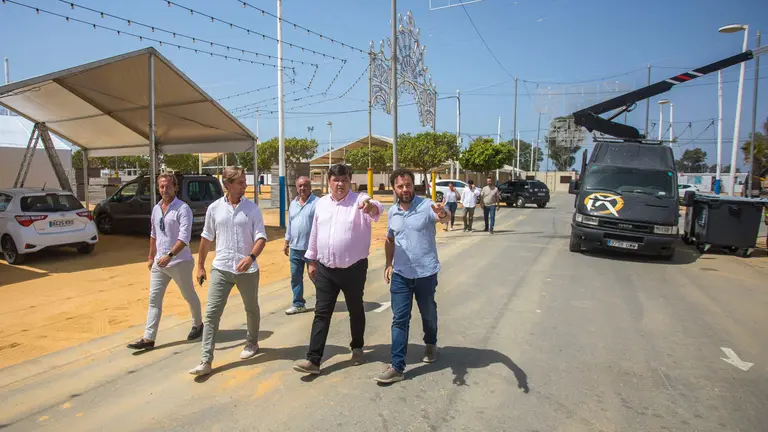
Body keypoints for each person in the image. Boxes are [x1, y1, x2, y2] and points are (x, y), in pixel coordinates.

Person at [293, 164, 383, 375]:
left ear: (349, 180)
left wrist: (372, 207)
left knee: (355, 309)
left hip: (354, 268)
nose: (340, 184)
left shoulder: (360, 200)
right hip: (325, 269)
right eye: (335, 180)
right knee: (321, 313)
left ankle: (357, 347)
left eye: (344, 179)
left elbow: (376, 208)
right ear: (329, 182)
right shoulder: (322, 204)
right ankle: (313, 360)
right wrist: (312, 260)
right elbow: (315, 232)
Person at [189, 166, 267, 376]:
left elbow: (261, 238)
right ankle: (206, 360)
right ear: (228, 184)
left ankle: (252, 343)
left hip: (248, 271)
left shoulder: (252, 209)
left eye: (244, 181)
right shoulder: (214, 208)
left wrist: (250, 258)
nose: (245, 185)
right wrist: (200, 265)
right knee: (212, 314)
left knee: (251, 308)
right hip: (221, 269)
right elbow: (206, 238)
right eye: (241, 182)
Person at [376, 169, 449, 384]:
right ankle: (397, 366)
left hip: (426, 273)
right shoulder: (392, 212)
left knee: (428, 313)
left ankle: (430, 343)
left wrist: (443, 213)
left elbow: (444, 218)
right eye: (400, 186)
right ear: (394, 188)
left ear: (413, 185)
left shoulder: (427, 206)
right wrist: (388, 264)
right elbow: (390, 239)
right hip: (400, 274)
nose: (405, 189)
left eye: (408, 185)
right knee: (399, 319)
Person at [127, 174, 203, 351]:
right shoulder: (156, 209)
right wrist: (151, 256)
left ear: (175, 188)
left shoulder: (183, 209)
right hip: (159, 264)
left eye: (168, 186)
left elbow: (184, 238)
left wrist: (169, 255)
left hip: (179, 262)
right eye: (161, 187)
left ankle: (198, 325)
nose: (164, 190)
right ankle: (148, 338)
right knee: (154, 300)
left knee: (188, 295)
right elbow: (154, 234)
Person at [284, 176, 317, 315]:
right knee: (295, 277)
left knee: (315, 276)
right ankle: (298, 304)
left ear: (310, 187)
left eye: (305, 185)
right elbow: (290, 224)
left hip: (311, 249)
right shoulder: (293, 203)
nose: (302, 188)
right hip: (295, 248)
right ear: (296, 187)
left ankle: (325, 301)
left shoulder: (317, 203)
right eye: (300, 186)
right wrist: (287, 241)